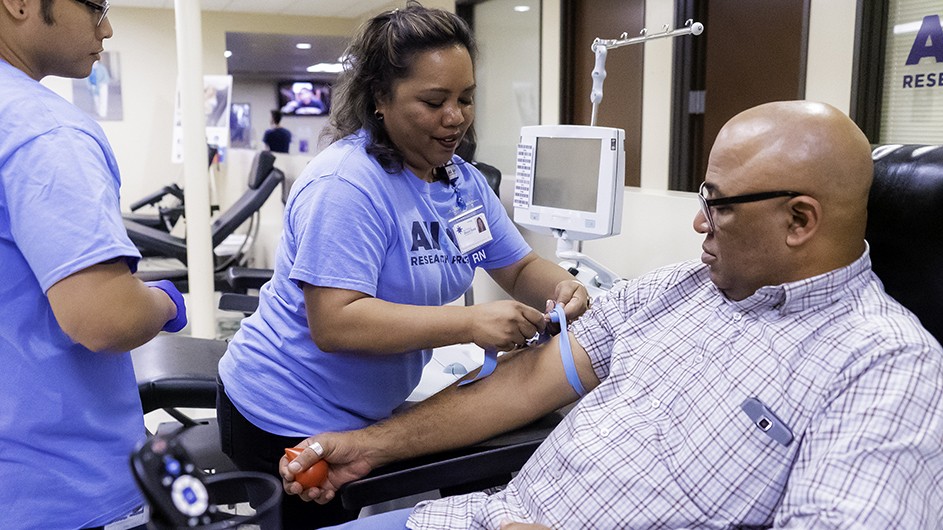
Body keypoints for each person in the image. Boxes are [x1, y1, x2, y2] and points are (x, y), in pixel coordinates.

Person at [279, 100, 943, 529]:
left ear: (799, 219)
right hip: (487, 516)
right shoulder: (674, 291)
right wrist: (365, 447)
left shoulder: (885, 365)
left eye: (716, 204)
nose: (696, 222)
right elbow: (521, 384)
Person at [215, 3, 589, 528]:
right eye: (434, 101)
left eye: (466, 99)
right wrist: (469, 324)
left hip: (369, 412)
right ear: (379, 101)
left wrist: (565, 287)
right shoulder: (346, 186)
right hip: (282, 411)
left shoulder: (460, 181)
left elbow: (518, 267)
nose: (455, 117)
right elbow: (336, 321)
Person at [0, 1, 189, 529]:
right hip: (55, 490)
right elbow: (106, 319)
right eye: (95, 6)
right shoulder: (43, 132)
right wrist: (164, 302)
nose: (105, 27)